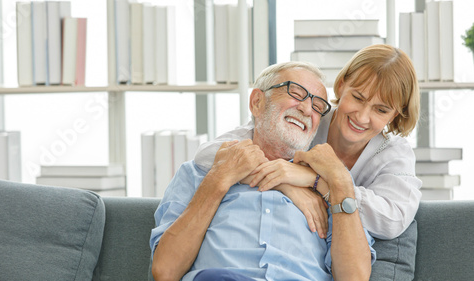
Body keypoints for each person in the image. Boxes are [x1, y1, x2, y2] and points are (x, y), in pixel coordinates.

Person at [150, 62, 376, 281]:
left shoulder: (328, 189)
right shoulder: (197, 173)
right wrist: (219, 180)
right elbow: (165, 271)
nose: (307, 109)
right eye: (296, 93)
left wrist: (340, 181)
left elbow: (354, 277)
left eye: (318, 107)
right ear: (257, 102)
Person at [194, 44, 422, 240]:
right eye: (357, 98)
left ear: (395, 114)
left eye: (381, 110)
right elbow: (206, 155)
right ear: (341, 85)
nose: (362, 117)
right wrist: (284, 181)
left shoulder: (394, 153)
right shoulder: (309, 116)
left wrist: (314, 182)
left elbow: (391, 221)